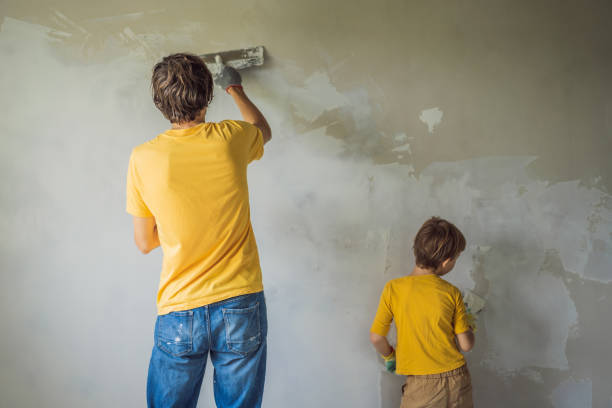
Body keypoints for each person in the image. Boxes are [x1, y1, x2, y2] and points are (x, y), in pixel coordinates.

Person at [126, 53, 271, 408]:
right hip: (240, 302)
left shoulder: (143, 158)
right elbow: (262, 130)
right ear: (208, 96)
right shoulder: (229, 139)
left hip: (180, 308)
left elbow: (145, 243)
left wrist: (178, 227)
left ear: (160, 104)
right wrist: (235, 89)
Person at [370, 217, 475, 408]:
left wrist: (390, 357)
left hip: (421, 385)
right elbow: (466, 345)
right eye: (456, 260)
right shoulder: (452, 292)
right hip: (457, 379)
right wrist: (468, 325)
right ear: (446, 262)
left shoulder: (393, 289)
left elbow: (376, 337)